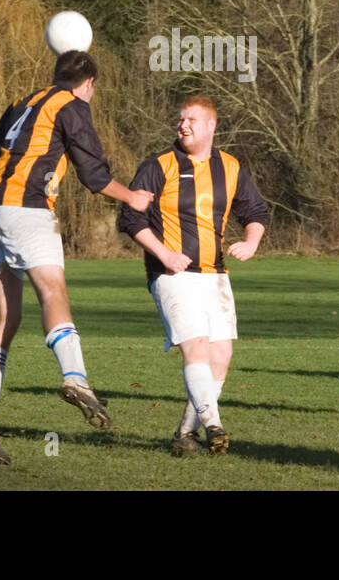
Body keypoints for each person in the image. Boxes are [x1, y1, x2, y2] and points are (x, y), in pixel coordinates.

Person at [0, 50, 155, 465]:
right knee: (53, 292)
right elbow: (94, 174)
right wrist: (133, 197)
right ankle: (76, 378)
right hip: (27, 210)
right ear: (88, 83)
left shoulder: (23, 102)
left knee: (5, 318)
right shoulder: (71, 104)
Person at [117, 96, 268, 455]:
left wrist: (251, 241)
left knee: (221, 356)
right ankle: (214, 425)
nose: (183, 125)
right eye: (180, 119)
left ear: (211, 126)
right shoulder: (158, 165)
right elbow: (130, 218)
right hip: (171, 275)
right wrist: (165, 254)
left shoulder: (230, 167)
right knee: (196, 347)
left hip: (214, 274)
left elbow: (255, 210)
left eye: (191, 120)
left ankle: (186, 433)